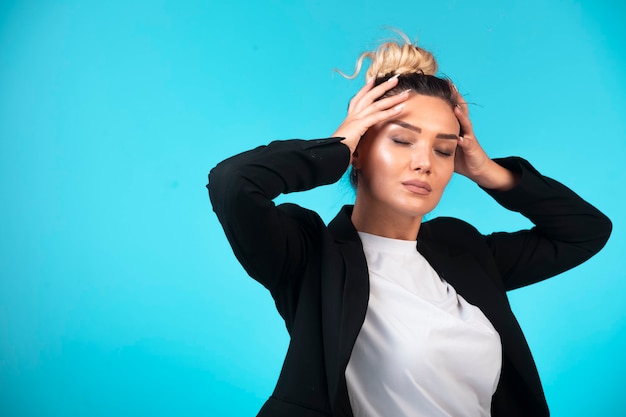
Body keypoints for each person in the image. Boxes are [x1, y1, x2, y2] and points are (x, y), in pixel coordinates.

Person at [207, 33, 611, 417]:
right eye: (402, 140)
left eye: (443, 149)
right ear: (361, 151)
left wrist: (487, 170)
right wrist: (339, 145)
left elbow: (586, 230)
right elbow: (234, 183)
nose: (425, 162)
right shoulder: (310, 256)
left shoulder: (463, 250)